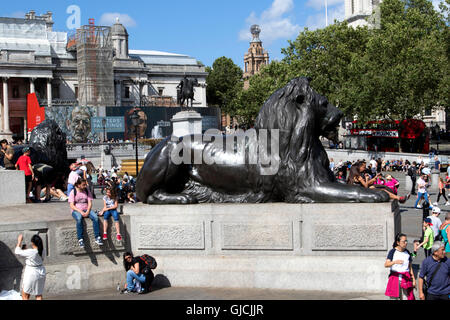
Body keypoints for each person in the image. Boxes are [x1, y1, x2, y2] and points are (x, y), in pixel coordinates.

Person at [69, 178, 103, 248]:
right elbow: (72, 205)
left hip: (86, 208)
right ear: (78, 185)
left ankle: (97, 237)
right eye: (83, 185)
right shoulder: (73, 192)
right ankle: (80, 239)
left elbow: (90, 203)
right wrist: (80, 211)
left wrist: (87, 211)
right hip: (76, 210)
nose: (85, 186)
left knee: (96, 218)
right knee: (79, 218)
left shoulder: (87, 191)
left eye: (85, 185)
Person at [14, 234, 46, 300]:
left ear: (32, 243)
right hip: (41, 272)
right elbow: (34, 253)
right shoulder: (43, 250)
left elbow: (17, 251)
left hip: (31, 273)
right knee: (38, 295)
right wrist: (26, 250)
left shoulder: (32, 252)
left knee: (24, 294)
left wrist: (19, 241)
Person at [385, 233, 416, 300]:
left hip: (406, 278)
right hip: (395, 278)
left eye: (406, 241)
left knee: (406, 297)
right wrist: (394, 262)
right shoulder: (392, 251)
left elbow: (410, 267)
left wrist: (413, 279)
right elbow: (386, 264)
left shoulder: (407, 252)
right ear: (398, 242)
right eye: (404, 241)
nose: (406, 243)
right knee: (394, 298)